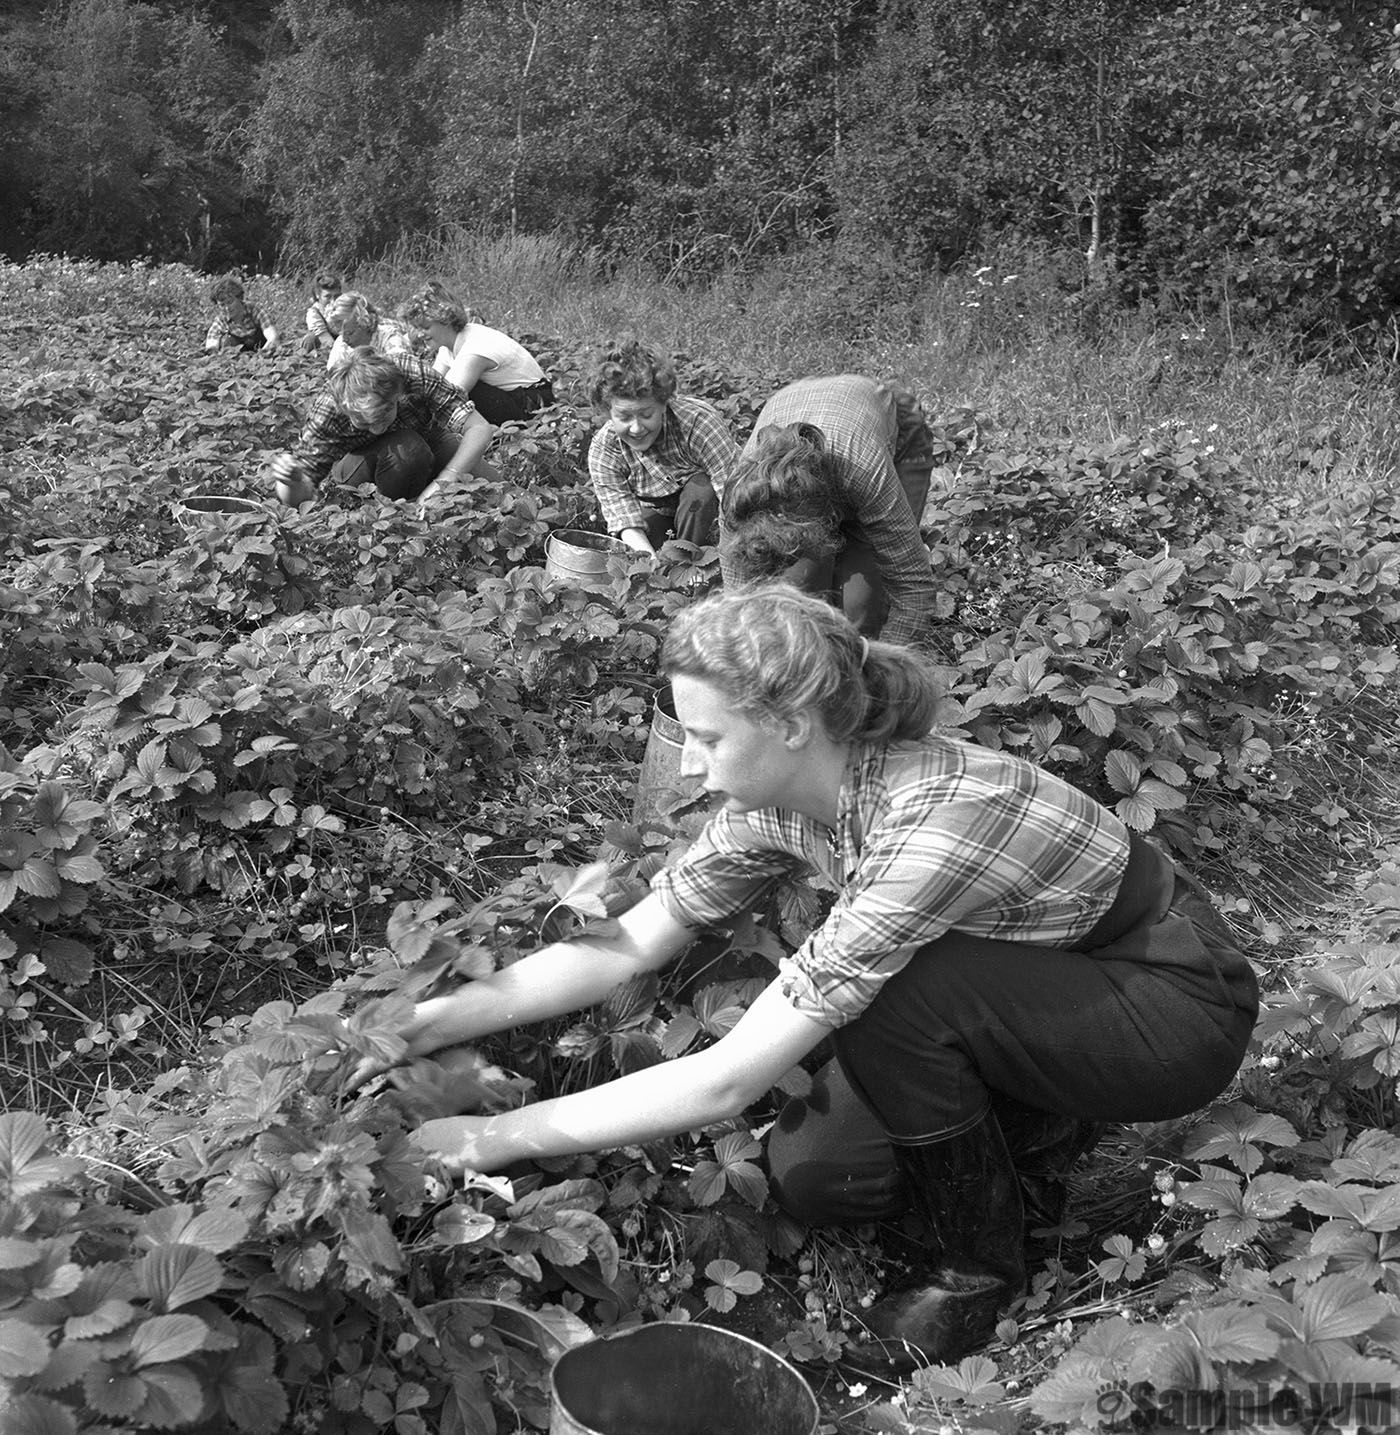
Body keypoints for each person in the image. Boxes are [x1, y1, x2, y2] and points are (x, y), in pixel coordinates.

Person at [363, 584, 1259, 1373]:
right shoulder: (782, 801)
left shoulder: (935, 819)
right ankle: (1039, 1122)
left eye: (707, 736)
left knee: (909, 992)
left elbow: (727, 1078)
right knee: (818, 1177)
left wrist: (492, 1139)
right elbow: (630, 944)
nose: (686, 762)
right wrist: (434, 1019)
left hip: (1171, 1001)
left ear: (791, 725)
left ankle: (975, 1276)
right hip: (1044, 984)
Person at [721, 374, 938, 647]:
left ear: (825, 519)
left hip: (889, 430)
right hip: (803, 400)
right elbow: (738, 597)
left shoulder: (864, 471)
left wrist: (879, 665)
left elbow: (912, 585)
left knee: (864, 609)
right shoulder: (742, 496)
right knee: (798, 596)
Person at [268, 347, 498, 505]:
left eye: (384, 414)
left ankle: (430, 490)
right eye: (362, 420)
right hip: (358, 467)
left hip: (428, 438)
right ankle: (401, 515)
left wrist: (448, 477)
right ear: (344, 408)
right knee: (408, 450)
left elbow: (478, 428)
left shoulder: (412, 374)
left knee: (499, 492)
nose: (377, 429)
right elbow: (301, 498)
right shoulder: (327, 411)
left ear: (398, 393)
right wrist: (292, 481)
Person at [582, 336, 739, 555]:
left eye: (647, 414)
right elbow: (626, 521)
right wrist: (650, 566)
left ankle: (695, 564)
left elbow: (734, 501)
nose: (636, 428)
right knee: (643, 545)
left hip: (709, 512)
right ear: (608, 412)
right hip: (660, 511)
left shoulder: (698, 423)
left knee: (700, 492)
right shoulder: (605, 450)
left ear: (664, 404)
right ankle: (674, 570)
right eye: (624, 417)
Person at [397, 281, 555, 427]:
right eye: (417, 329)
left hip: (533, 406)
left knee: (457, 394)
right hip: (513, 398)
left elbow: (442, 396)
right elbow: (431, 382)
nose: (419, 335)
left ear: (445, 320)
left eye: (425, 328)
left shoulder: (474, 350)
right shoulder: (449, 345)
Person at [324, 292, 418, 370]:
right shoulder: (341, 345)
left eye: (350, 333)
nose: (344, 339)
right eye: (340, 333)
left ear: (365, 324)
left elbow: (401, 371)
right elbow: (333, 377)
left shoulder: (390, 339)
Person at [203, 276, 279, 353]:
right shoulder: (221, 321)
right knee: (228, 341)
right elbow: (211, 346)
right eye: (222, 305)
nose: (227, 308)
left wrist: (263, 354)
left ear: (240, 298)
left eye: (230, 302)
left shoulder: (254, 311)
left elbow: (272, 337)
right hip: (239, 354)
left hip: (261, 346)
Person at [299, 271, 342, 354]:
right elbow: (327, 340)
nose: (333, 301)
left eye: (336, 296)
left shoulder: (347, 305)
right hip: (328, 345)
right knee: (310, 339)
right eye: (327, 296)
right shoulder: (314, 313)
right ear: (317, 295)